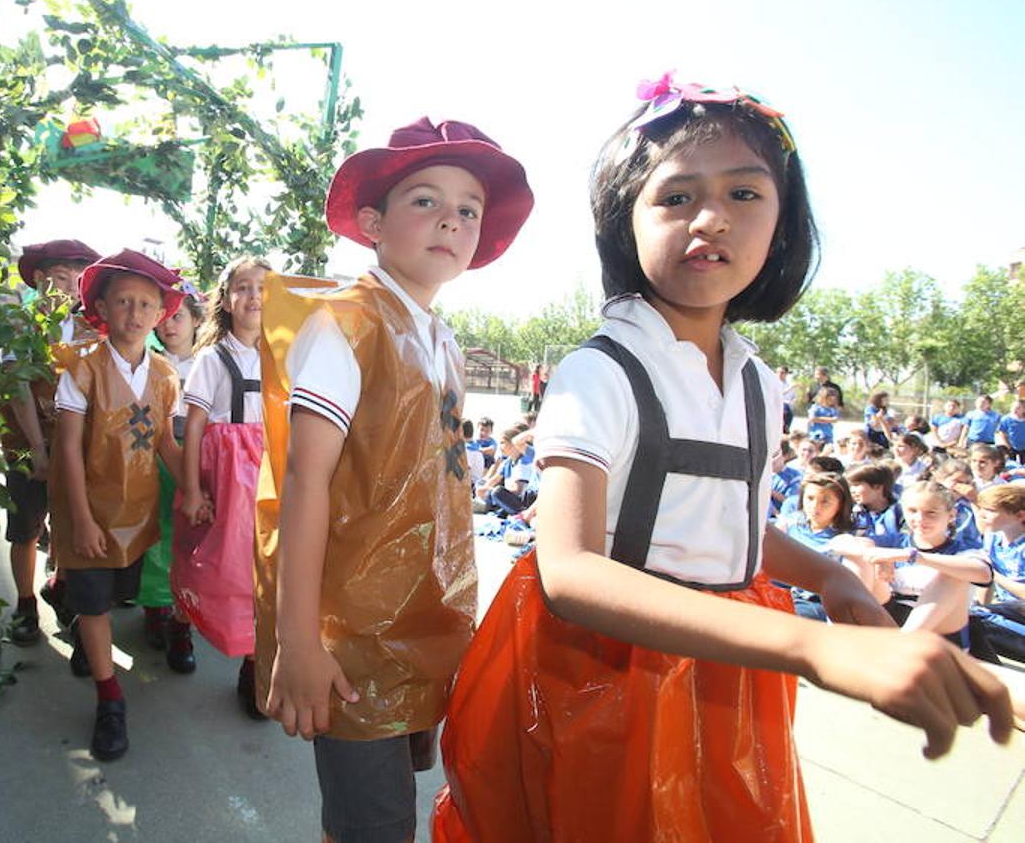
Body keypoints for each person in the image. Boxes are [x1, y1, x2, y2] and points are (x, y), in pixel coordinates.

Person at [431, 76, 1012, 843]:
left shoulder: (758, 384)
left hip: (730, 677)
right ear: (623, 222)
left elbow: (732, 527)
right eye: (675, 198)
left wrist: (831, 577)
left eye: (745, 194)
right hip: (599, 679)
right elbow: (570, 571)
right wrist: (810, 642)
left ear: (783, 220)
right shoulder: (601, 371)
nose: (710, 218)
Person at [255, 117, 533, 842]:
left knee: (375, 817)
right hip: (354, 639)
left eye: (468, 209)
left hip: (426, 625)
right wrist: (300, 639)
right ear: (372, 222)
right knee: (374, 827)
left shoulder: (438, 338)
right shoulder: (346, 324)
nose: (451, 219)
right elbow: (304, 484)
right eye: (425, 200)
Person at [50, 249, 186, 761]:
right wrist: (80, 519)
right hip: (86, 509)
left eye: (145, 304)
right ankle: (110, 700)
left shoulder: (166, 376)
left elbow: (166, 445)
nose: (134, 313)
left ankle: (85, 629)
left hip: (138, 514)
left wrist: (192, 490)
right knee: (94, 598)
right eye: (123, 301)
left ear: (160, 314)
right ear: (103, 308)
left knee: (118, 594)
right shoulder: (81, 369)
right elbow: (66, 447)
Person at [175, 255, 271, 717]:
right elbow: (193, 426)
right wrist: (192, 489)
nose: (253, 296)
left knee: (261, 573)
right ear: (227, 300)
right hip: (227, 474)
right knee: (210, 563)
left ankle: (253, 666)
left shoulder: (281, 356)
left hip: (266, 475)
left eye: (262, 288)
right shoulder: (213, 358)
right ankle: (180, 620)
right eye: (243, 287)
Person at [1, 238, 102, 646]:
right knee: (25, 527)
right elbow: (18, 389)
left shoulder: (87, 330)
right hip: (26, 445)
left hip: (73, 448)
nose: (72, 288)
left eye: (79, 280)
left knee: (67, 525)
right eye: (63, 277)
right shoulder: (21, 326)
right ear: (40, 278)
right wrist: (39, 452)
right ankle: (25, 605)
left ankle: (59, 586)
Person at [138, 287, 205, 672]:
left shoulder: (209, 361)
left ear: (197, 319)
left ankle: (184, 616)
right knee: (157, 531)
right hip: (156, 454)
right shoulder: (151, 362)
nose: (169, 326)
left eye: (178, 317)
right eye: (163, 319)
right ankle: (156, 606)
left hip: (198, 453)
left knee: (190, 537)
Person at [837, 482, 992, 648]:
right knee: (858, 557)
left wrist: (911, 556)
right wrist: (878, 556)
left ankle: (903, 643)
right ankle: (846, 635)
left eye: (931, 513)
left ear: (951, 515)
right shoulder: (894, 541)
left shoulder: (964, 549)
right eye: (912, 511)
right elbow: (838, 543)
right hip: (892, 622)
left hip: (941, 635)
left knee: (953, 574)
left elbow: (983, 574)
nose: (920, 519)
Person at [969, 483, 1025, 661]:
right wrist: (979, 603)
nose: (982, 515)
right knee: (971, 616)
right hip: (1011, 609)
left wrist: (991, 573)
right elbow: (986, 583)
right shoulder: (993, 538)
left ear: (1019, 515)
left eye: (990, 510)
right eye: (981, 509)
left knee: (979, 617)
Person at [847, 462, 903, 544]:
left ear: (878, 487)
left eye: (856, 485)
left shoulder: (900, 512)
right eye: (850, 486)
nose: (852, 490)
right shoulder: (853, 512)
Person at [777, 365, 797, 433]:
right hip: (777, 404)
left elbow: (793, 397)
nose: (779, 374)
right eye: (778, 372)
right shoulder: (774, 382)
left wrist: (792, 403)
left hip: (787, 406)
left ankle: (786, 429)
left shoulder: (789, 384)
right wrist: (790, 388)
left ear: (786, 374)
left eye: (782, 372)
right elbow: (779, 394)